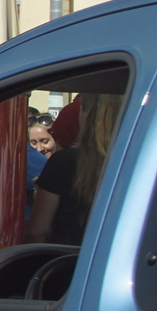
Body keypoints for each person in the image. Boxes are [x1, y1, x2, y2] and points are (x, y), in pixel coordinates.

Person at [26, 93, 122, 245]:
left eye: (82, 109)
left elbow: (37, 231)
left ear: (88, 114)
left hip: (69, 260)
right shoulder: (136, 159)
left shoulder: (64, 161)